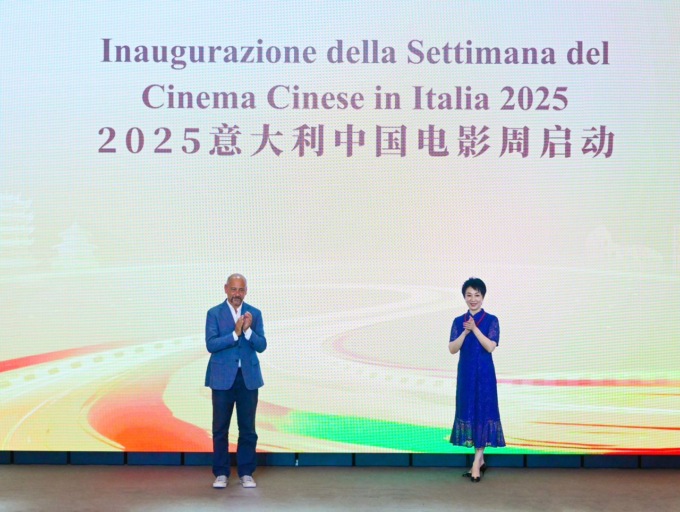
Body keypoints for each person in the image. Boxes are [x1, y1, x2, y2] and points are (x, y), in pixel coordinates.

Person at [205, 273, 267, 489]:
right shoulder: (214, 313)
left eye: (241, 290)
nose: (237, 294)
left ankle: (246, 473)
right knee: (220, 429)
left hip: (248, 379)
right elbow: (211, 344)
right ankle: (221, 473)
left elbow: (262, 345)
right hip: (222, 379)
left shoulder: (254, 314)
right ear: (226, 289)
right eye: (233, 289)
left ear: (246, 291)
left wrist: (248, 331)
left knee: (248, 428)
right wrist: (235, 334)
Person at [448, 277, 505, 482]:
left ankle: (475, 463)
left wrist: (475, 329)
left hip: (485, 374)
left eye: (477, 295)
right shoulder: (458, 321)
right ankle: (479, 460)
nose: (473, 299)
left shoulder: (491, 320)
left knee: (484, 412)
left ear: (483, 297)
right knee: (469, 411)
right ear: (464, 297)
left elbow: (490, 347)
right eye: (469, 295)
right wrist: (465, 331)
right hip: (466, 374)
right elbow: (452, 349)